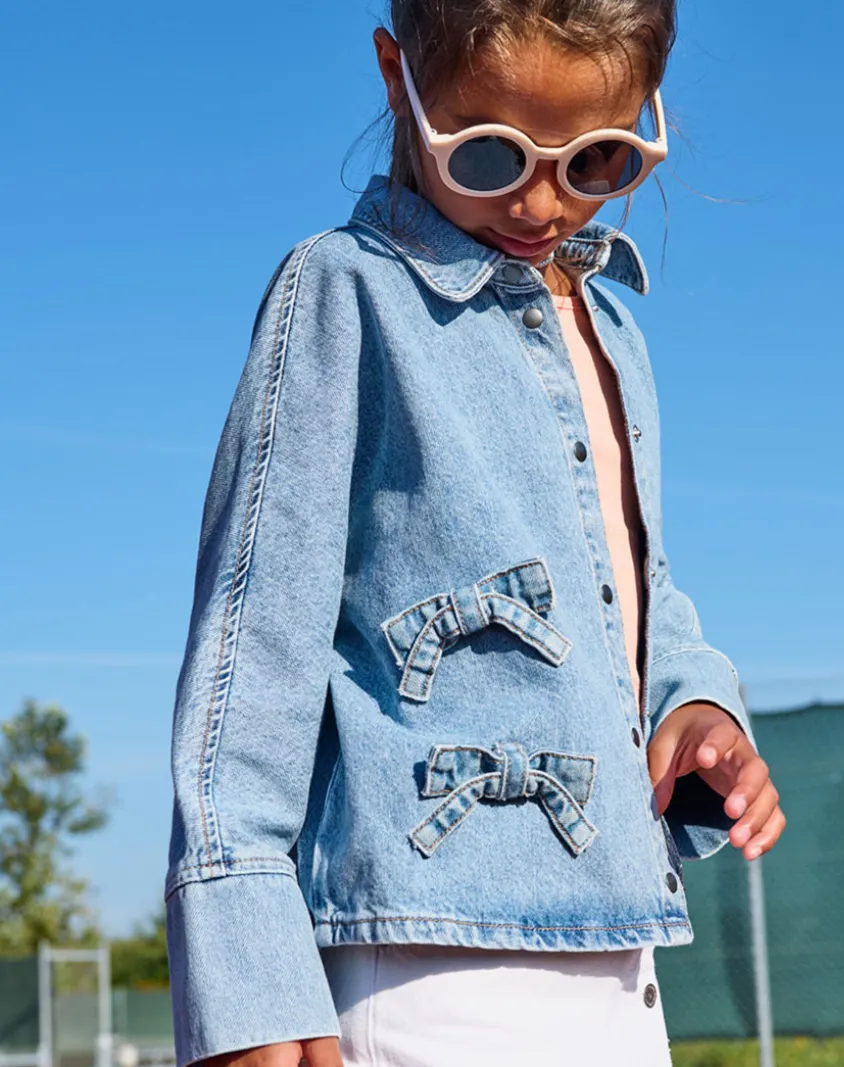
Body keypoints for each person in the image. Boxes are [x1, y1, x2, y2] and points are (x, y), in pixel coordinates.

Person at [165, 2, 786, 1066]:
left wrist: (694, 700)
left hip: (624, 962)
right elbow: (251, 645)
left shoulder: (614, 330)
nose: (542, 201)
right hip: (426, 967)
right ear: (396, 76)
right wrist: (247, 963)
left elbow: (631, 583)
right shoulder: (346, 294)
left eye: (597, 159)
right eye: (491, 152)